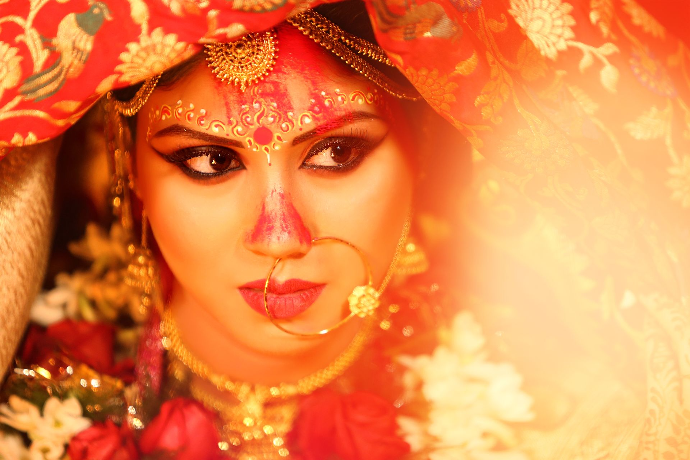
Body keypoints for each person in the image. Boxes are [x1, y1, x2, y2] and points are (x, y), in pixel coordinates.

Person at [0, 0, 689, 459]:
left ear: (425, 153)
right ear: (130, 173)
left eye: (335, 153)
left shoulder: (568, 422)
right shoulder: (25, 398)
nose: (279, 235)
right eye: (210, 161)